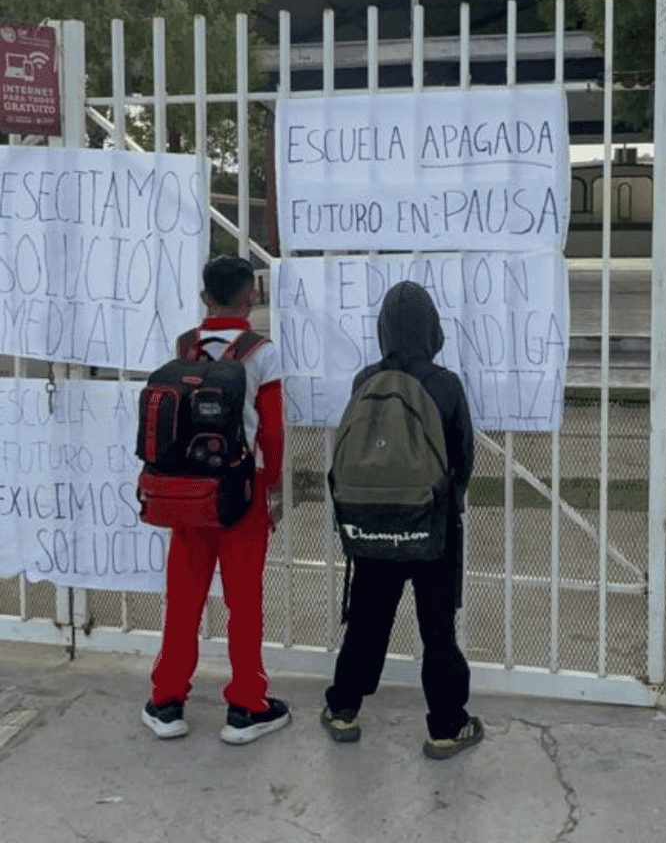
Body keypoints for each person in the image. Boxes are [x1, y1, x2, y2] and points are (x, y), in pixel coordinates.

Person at [322, 281, 483, 758]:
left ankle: (343, 709)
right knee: (437, 630)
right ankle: (447, 726)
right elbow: (464, 457)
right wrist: (443, 502)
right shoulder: (446, 383)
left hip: (373, 527)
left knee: (368, 621)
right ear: (432, 328)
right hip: (431, 526)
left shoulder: (365, 379)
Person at [143, 255, 290, 744]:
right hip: (240, 489)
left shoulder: (185, 345)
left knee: (184, 598)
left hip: (188, 489)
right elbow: (272, 431)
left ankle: (167, 701)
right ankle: (247, 706)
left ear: (205, 297)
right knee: (244, 602)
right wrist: (269, 488)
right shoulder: (262, 352)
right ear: (251, 295)